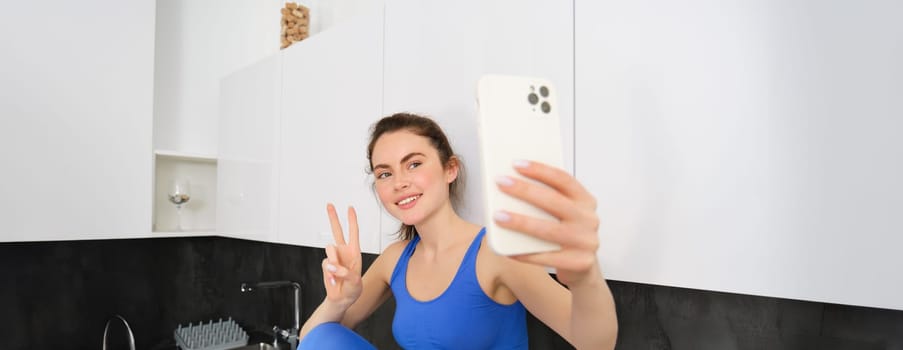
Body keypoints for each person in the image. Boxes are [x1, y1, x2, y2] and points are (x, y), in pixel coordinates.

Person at [297, 113, 618, 349]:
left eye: (414, 164)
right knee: (324, 337)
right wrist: (338, 302)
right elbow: (311, 340)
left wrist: (587, 275)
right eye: (384, 174)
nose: (399, 182)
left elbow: (595, 343)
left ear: (450, 169)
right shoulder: (395, 259)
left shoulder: (495, 253)